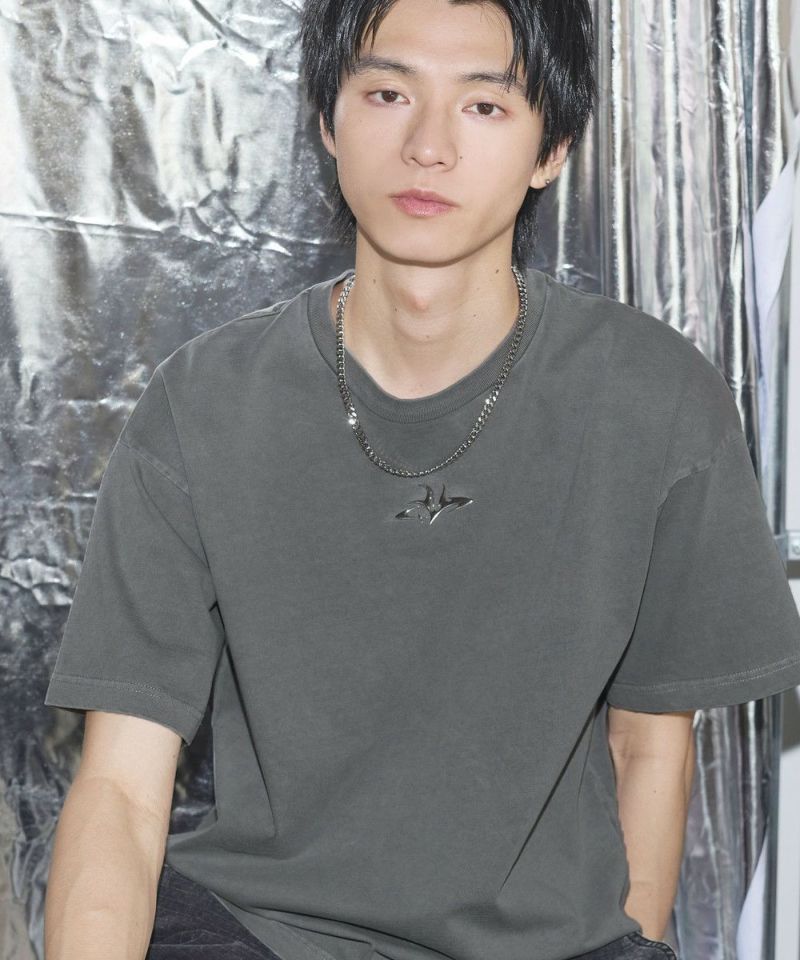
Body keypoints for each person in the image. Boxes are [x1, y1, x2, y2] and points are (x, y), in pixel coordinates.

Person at [42, 1, 800, 959]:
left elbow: (650, 747)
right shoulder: (204, 403)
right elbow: (120, 784)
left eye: (484, 106)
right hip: (256, 933)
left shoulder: (654, 398)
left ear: (552, 148)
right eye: (388, 94)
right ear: (328, 119)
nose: (428, 147)